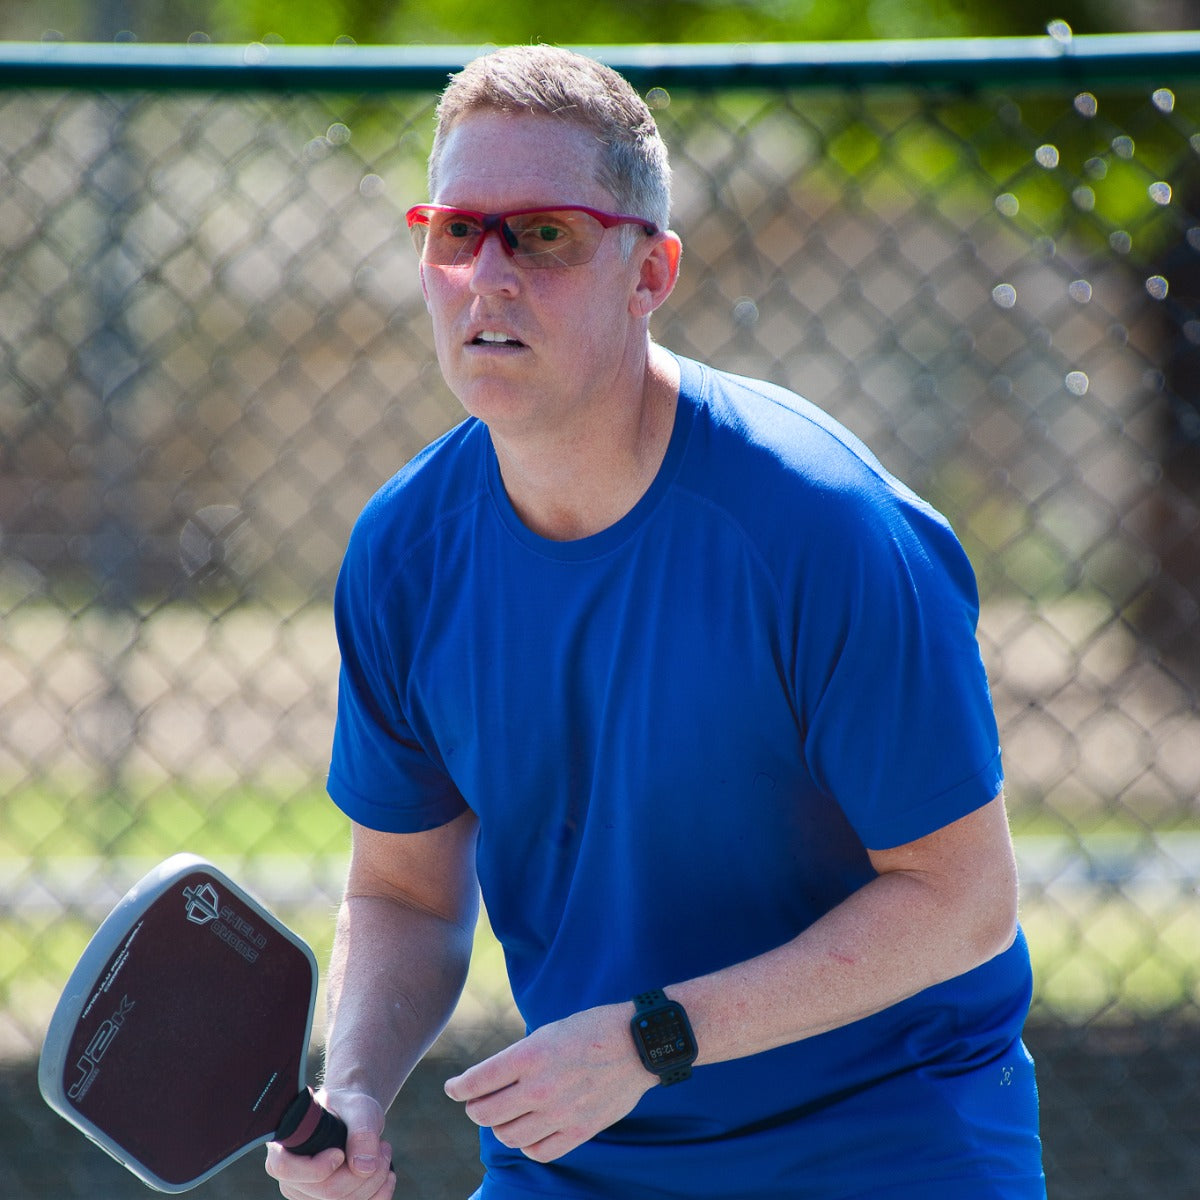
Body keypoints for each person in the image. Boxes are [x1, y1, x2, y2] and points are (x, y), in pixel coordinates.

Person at [266, 43, 1045, 1200]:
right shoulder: (404, 552)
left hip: (883, 1149)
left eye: (544, 235)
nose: (489, 274)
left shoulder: (822, 526)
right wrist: (361, 1089)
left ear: (651, 272)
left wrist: (650, 1039)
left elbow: (963, 898)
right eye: (455, 231)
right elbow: (406, 892)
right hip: (578, 1153)